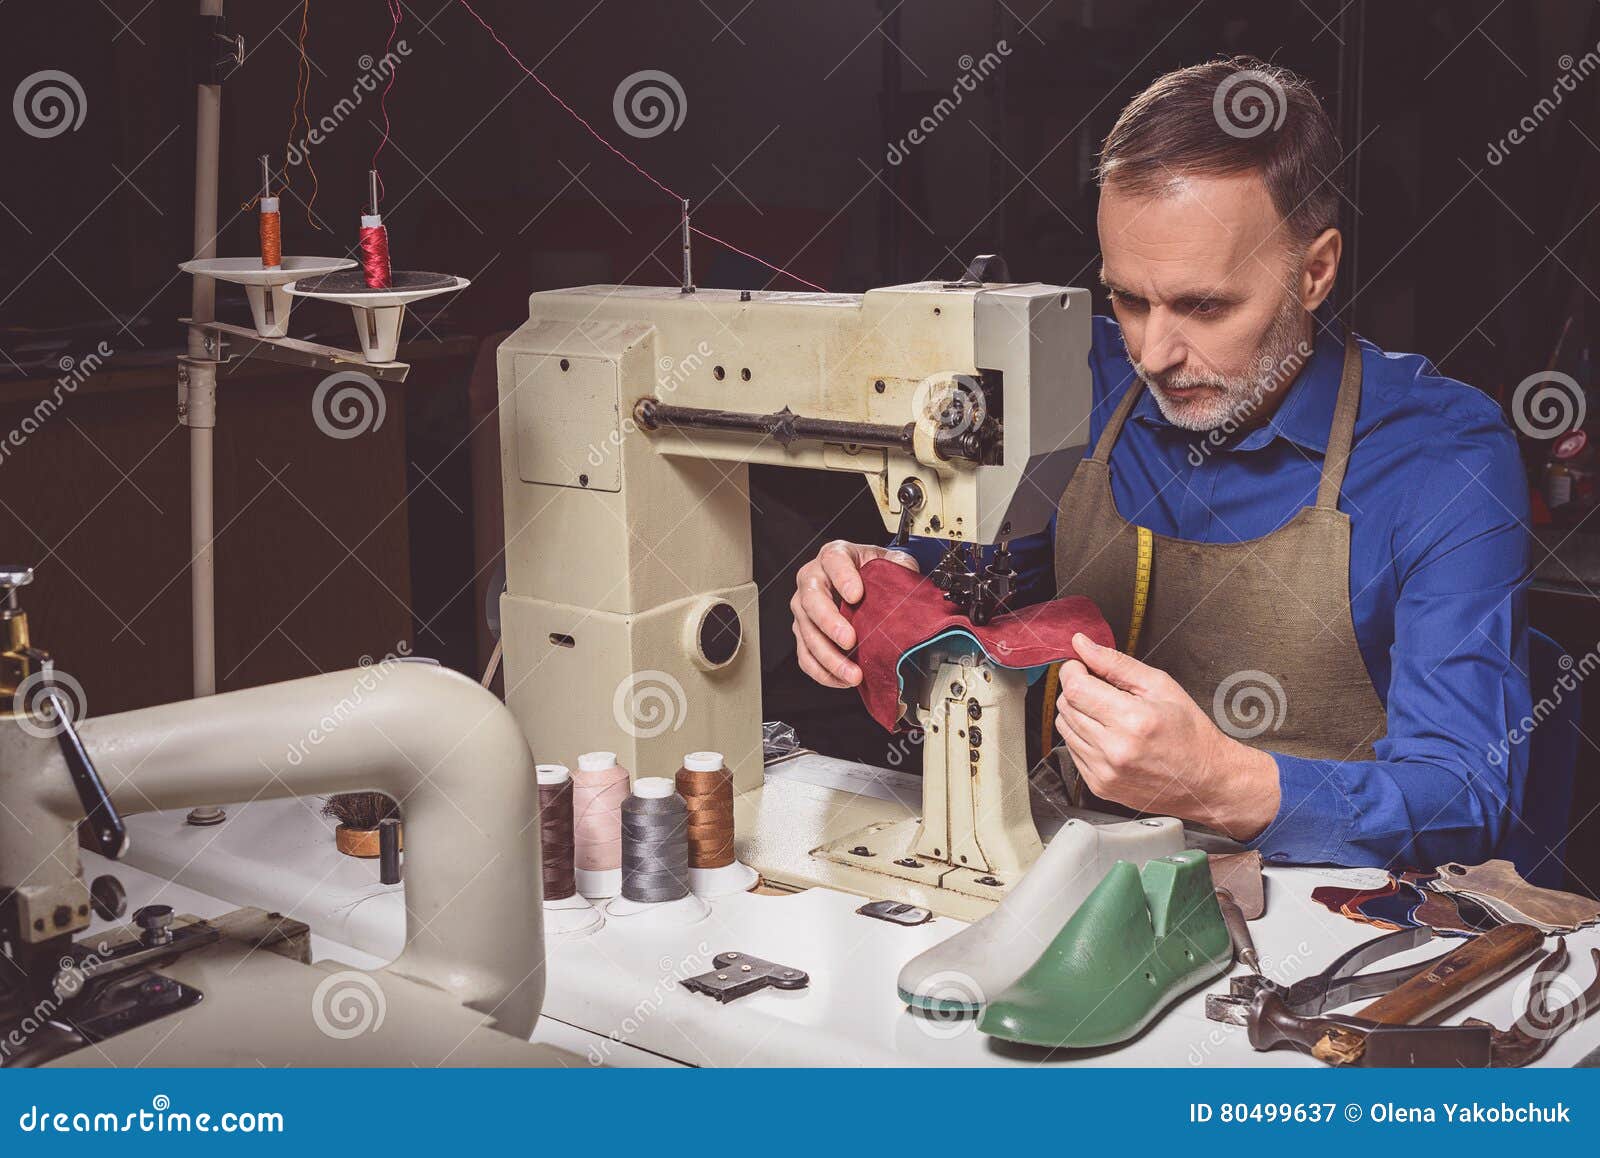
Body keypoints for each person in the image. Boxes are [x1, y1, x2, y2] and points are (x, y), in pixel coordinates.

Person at [788, 57, 1531, 869]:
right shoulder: (1082, 381)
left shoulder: (1439, 455)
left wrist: (1221, 784)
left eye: (1204, 306)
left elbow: (1467, 793)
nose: (1154, 351)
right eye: (1128, 299)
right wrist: (875, 589)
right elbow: (981, 590)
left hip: (1324, 925)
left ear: (1314, 271)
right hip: (1077, 876)